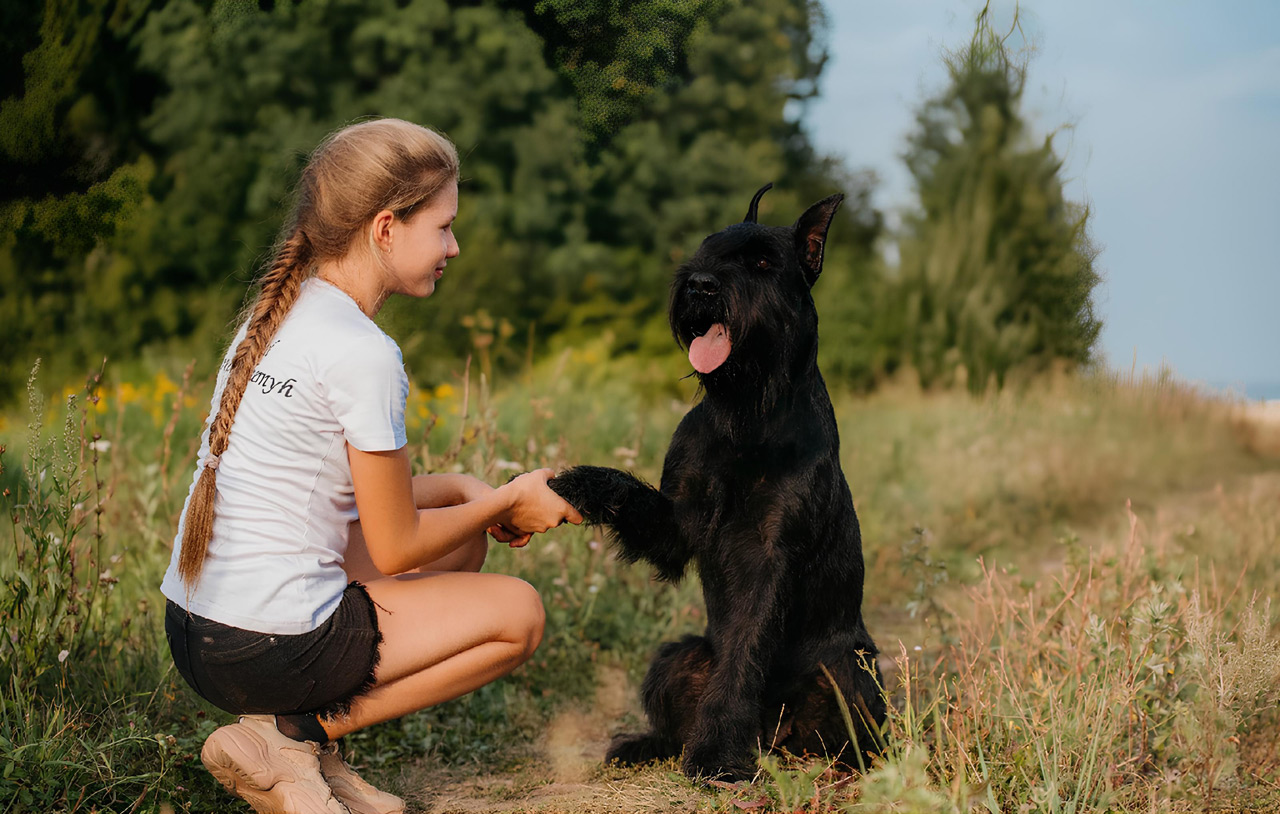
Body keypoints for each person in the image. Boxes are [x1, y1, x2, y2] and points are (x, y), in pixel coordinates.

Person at [160, 118, 582, 814]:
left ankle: (303, 758)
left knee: (463, 541)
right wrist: (509, 499)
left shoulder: (281, 314)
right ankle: (294, 736)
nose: (454, 247)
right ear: (386, 228)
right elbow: (397, 545)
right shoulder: (365, 352)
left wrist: (466, 492)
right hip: (269, 648)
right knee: (520, 614)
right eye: (443, 227)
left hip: (196, 631)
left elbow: (333, 493)